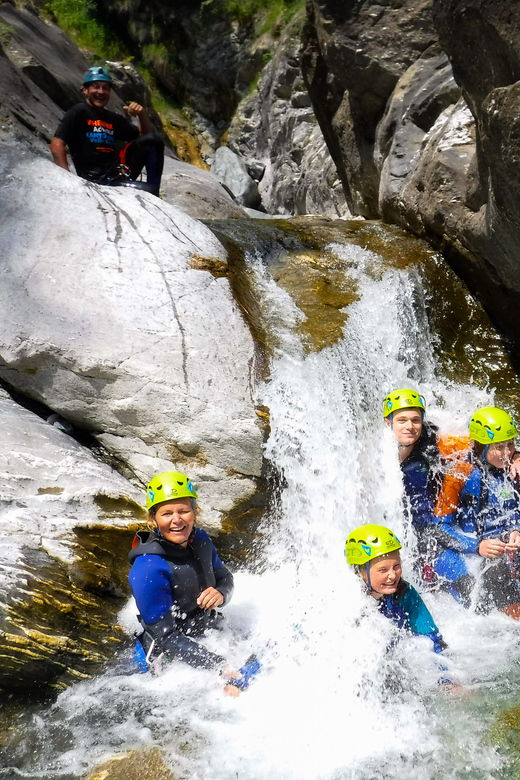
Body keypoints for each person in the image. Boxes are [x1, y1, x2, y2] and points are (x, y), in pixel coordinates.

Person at [128, 470, 259, 694]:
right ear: (153, 519)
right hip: (168, 659)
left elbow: (225, 577)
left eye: (184, 511)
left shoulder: (200, 540)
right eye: (166, 513)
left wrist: (221, 593)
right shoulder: (148, 568)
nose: (177, 520)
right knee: (235, 693)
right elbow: (166, 637)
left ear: (195, 512)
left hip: (208, 634)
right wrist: (219, 666)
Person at [383, 387, 475, 604]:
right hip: (398, 535)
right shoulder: (375, 454)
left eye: (415, 420)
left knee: (466, 584)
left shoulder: (431, 441)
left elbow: (475, 447)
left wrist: (515, 455)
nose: (410, 426)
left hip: (430, 529)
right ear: (389, 423)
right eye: (402, 420)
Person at [434, 407, 520, 617]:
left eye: (511, 445)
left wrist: (517, 530)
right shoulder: (459, 474)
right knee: (489, 589)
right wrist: (478, 546)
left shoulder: (513, 466)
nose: (507, 453)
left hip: (503, 543)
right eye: (499, 447)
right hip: (471, 547)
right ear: (482, 447)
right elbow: (438, 528)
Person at [49, 66, 164, 195]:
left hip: (118, 174)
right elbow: (56, 143)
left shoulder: (113, 119)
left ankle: (155, 194)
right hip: (95, 179)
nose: (101, 91)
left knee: (154, 140)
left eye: (105, 88)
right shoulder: (79, 112)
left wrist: (141, 115)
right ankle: (152, 193)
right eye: (96, 87)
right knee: (147, 190)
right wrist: (67, 179)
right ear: (85, 90)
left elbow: (146, 140)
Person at [345, 523, 448, 655]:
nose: (393, 575)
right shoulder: (350, 604)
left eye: (396, 566)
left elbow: (433, 640)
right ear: (361, 573)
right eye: (383, 570)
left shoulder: (405, 593)